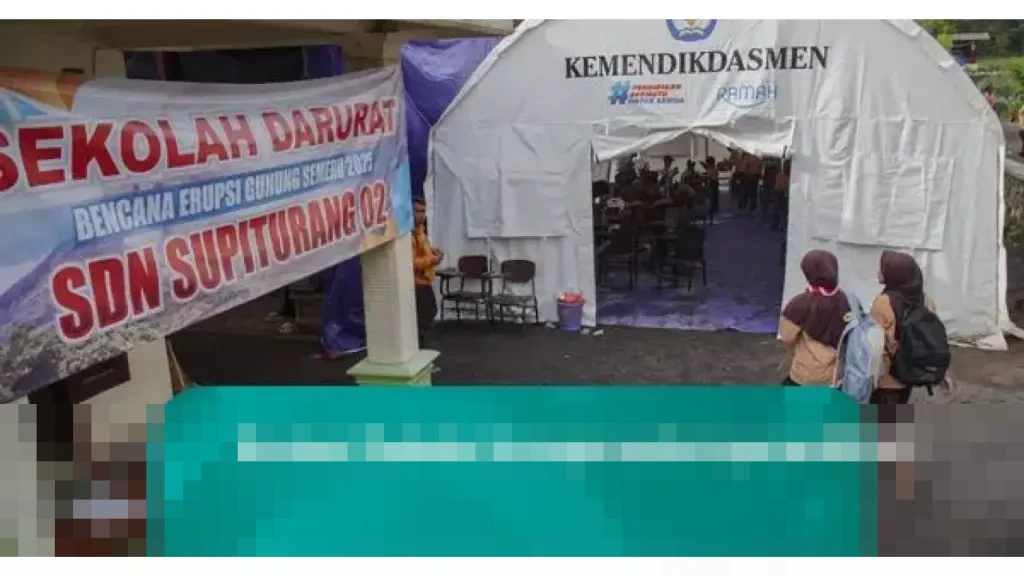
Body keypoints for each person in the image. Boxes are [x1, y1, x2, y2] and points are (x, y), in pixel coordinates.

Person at [868, 250, 951, 404]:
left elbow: (875, 346)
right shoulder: (925, 300)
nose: (878, 272)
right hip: (912, 372)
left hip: (887, 378)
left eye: (883, 268)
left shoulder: (883, 303)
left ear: (894, 274)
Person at [778, 250, 851, 387]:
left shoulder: (799, 304)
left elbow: (786, 337)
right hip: (835, 374)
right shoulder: (844, 299)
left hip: (806, 374)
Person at [413, 199, 443, 347]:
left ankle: (420, 340)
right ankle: (418, 342)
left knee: (429, 311)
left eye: (423, 211)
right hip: (417, 281)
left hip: (425, 279)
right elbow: (412, 262)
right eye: (418, 211)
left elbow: (424, 250)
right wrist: (432, 260)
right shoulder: (410, 235)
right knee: (426, 313)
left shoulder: (420, 231)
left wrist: (433, 251)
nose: (422, 214)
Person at [704, 155, 719, 222]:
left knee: (712, 197)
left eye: (708, 162)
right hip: (710, 184)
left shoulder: (714, 169)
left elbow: (712, 177)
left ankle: (712, 209)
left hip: (713, 184)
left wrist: (705, 176)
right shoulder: (710, 168)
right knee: (711, 197)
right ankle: (712, 209)